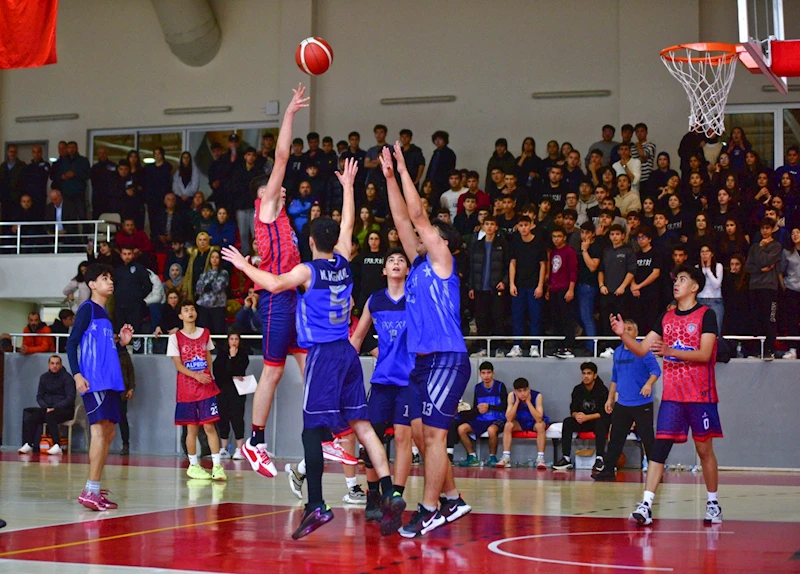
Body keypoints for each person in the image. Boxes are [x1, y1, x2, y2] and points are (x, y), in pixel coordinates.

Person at [223, 157, 405, 540]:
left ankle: (316, 505)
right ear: (335, 242)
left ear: (309, 243)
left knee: (311, 432)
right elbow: (349, 226)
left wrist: (243, 265)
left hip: (322, 354)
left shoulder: (308, 272)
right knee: (363, 426)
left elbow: (272, 285)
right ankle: (389, 491)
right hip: (348, 354)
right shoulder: (345, 263)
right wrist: (350, 188)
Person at [382, 143, 472, 538]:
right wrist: (388, 178)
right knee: (420, 435)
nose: (417, 234)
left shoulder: (442, 261)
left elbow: (416, 214)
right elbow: (403, 217)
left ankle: (430, 508)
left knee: (435, 436)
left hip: (446, 358)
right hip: (421, 362)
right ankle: (452, 498)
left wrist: (405, 168)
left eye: (428, 232)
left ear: (440, 240)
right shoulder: (418, 265)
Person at [610, 265, 723, 527]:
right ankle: (646, 505)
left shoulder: (707, 315)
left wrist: (671, 350)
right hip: (673, 396)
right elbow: (640, 350)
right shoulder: (666, 318)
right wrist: (623, 335)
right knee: (659, 450)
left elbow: (705, 355)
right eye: (675, 280)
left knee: (704, 450)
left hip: (700, 394)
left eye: (682, 280)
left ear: (695, 287)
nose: (677, 283)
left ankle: (713, 503)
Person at [349, 248, 415, 520]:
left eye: (401, 260)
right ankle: (373, 493)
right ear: (384, 271)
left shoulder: (416, 300)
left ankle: (396, 495)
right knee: (371, 440)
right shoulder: (375, 300)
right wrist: (339, 368)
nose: (396, 263)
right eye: (391, 260)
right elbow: (357, 338)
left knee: (402, 437)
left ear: (408, 270)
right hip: (382, 380)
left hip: (410, 380)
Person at [67, 264, 134, 511]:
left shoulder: (106, 315)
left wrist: (122, 343)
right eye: (104, 278)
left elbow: (106, 348)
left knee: (109, 434)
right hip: (93, 379)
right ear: (92, 285)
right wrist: (76, 375)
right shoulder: (87, 309)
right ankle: (90, 490)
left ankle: (94, 488)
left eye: (111, 277)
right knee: (98, 432)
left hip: (110, 381)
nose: (110, 281)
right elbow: (72, 342)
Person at [592, 320, 660, 481]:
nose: (627, 331)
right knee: (615, 437)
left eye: (630, 329)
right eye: (625, 328)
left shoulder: (643, 350)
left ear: (636, 333)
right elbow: (615, 378)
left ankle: (655, 472)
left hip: (641, 402)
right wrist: (610, 399)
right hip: (623, 403)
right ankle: (608, 470)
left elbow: (656, 370)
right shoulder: (618, 352)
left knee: (648, 439)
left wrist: (648, 384)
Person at [168, 299, 226, 482]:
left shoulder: (205, 334)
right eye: (186, 310)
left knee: (209, 425)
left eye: (192, 309)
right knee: (191, 428)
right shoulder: (175, 338)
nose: (190, 312)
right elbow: (178, 365)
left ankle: (217, 466)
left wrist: (208, 375)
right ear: (180, 315)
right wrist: (195, 376)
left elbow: (208, 356)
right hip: (187, 388)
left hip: (206, 387)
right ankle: (193, 465)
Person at [552, 362, 611, 472]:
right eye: (584, 373)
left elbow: (604, 412)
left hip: (595, 420)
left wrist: (587, 417)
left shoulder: (602, 390)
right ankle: (566, 458)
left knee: (601, 423)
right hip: (582, 420)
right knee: (568, 422)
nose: (586, 376)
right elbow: (573, 409)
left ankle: (599, 458)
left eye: (589, 373)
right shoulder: (578, 389)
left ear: (595, 375)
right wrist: (577, 415)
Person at [18, 355, 76, 456]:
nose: (55, 366)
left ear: (61, 365)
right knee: (33, 416)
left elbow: (70, 398)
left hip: (65, 410)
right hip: (47, 408)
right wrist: (46, 407)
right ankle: (28, 444)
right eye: (52, 363)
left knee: (50, 416)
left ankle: (57, 445)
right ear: (48, 365)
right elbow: (39, 397)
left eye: (57, 363)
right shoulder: (44, 377)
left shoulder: (67, 378)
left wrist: (55, 407)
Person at [468, 216, 509, 357]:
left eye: (492, 224)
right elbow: (472, 268)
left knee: (498, 318)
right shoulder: (476, 245)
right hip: (480, 288)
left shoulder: (503, 244)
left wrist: (505, 281)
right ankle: (482, 348)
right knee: (481, 319)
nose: (490, 227)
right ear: (483, 226)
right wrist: (471, 286)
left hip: (496, 288)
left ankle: (500, 348)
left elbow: (509, 265)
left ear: (496, 227)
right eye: (487, 224)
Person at [507, 215, 547, 358]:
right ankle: (517, 345)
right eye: (521, 225)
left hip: (534, 285)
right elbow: (512, 263)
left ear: (531, 225)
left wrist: (540, 285)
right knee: (518, 316)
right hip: (519, 285)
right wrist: (511, 283)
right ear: (518, 227)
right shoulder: (515, 241)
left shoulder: (539, 242)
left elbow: (543, 265)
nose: (523, 228)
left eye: (526, 225)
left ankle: (534, 346)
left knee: (535, 316)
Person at [455, 362, 508, 467]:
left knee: (492, 430)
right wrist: (477, 410)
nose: (486, 376)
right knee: (461, 429)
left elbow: (505, 406)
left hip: (497, 419)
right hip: (482, 419)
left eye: (488, 373)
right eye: (483, 373)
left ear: (493, 373)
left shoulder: (500, 386)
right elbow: (476, 407)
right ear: (480, 374)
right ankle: (472, 456)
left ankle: (492, 457)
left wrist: (489, 407)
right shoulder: (477, 388)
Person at [745, 218, 783, 361]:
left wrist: (761, 249)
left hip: (769, 287)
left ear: (772, 229)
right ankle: (755, 350)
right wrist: (761, 269)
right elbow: (748, 266)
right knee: (756, 318)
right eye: (762, 228)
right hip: (754, 286)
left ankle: (769, 350)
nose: (764, 231)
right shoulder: (754, 246)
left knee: (770, 319)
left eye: (767, 228)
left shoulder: (776, 246)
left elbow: (766, 260)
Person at [497, 377, 549, 469]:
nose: (522, 394)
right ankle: (506, 457)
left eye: (525, 390)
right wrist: (517, 402)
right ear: (515, 391)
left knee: (540, 426)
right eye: (519, 391)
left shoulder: (537, 396)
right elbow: (509, 418)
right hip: (520, 423)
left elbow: (538, 418)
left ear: (529, 389)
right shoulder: (511, 396)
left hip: (534, 423)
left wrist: (528, 402)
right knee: (508, 425)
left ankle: (540, 458)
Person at [213, 328, 249, 460]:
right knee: (223, 418)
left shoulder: (243, 355)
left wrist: (233, 358)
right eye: (231, 339)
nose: (234, 342)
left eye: (236, 339)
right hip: (223, 391)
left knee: (237, 418)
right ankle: (224, 448)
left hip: (237, 392)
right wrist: (232, 375)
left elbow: (238, 370)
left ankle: (239, 449)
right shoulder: (221, 355)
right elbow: (219, 372)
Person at [547, 226, 578, 359]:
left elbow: (573, 271)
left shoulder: (569, 251)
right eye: (554, 237)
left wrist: (571, 289)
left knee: (567, 318)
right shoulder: (553, 252)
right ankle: (558, 346)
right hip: (554, 288)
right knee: (555, 319)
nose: (556, 239)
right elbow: (551, 272)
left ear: (564, 237)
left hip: (565, 288)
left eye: (559, 236)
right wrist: (548, 289)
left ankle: (568, 346)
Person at [117, 340, 135, 456]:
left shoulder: (124, 354)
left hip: (121, 390)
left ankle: (125, 444)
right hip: (108, 391)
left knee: (122, 418)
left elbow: (130, 372)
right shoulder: (104, 352)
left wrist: (131, 388)